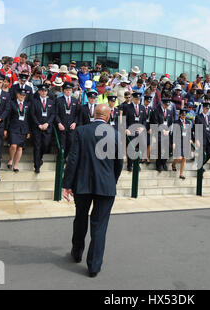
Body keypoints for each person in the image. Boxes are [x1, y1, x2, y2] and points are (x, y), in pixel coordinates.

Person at [62, 104, 123, 278]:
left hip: (83, 184)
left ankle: (77, 251)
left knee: (80, 218)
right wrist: (112, 181)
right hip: (106, 186)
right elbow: (119, 164)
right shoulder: (116, 135)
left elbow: (72, 159)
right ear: (108, 116)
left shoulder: (81, 131)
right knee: (99, 226)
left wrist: (67, 184)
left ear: (93, 114)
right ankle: (94, 266)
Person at [30, 84, 55, 174]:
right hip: (37, 128)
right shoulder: (34, 101)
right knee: (37, 146)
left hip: (47, 127)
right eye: (42, 91)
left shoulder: (51, 102)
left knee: (45, 145)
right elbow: (32, 114)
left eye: (45, 91)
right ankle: (37, 166)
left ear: (47, 92)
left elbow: (53, 114)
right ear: (39, 92)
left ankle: (39, 158)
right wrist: (38, 124)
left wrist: (47, 123)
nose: (44, 92)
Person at [4, 88, 31, 172]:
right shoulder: (12, 103)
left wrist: (29, 131)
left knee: (20, 148)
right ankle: (11, 159)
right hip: (13, 127)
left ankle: (15, 165)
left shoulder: (27, 104)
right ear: (17, 95)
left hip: (23, 128)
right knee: (13, 145)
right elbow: (8, 117)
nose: (22, 96)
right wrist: (5, 129)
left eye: (23, 95)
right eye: (20, 95)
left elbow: (29, 118)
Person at [55, 83, 79, 157]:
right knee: (62, 144)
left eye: (70, 90)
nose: (68, 91)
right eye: (67, 90)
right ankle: (61, 159)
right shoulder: (58, 100)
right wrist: (59, 123)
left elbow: (77, 114)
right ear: (63, 91)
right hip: (62, 125)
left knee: (71, 142)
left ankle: (65, 157)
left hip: (71, 126)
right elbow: (55, 113)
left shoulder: (75, 100)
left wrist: (75, 123)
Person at [125, 92, 146, 172]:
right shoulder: (127, 107)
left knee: (142, 146)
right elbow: (125, 119)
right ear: (133, 99)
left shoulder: (142, 107)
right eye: (136, 99)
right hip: (131, 130)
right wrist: (126, 129)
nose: (137, 100)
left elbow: (144, 120)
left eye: (139, 99)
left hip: (140, 131)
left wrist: (142, 128)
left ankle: (137, 163)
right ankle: (130, 165)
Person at [152, 98, 175, 172]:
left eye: (167, 105)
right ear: (162, 103)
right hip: (159, 132)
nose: (166, 106)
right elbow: (155, 122)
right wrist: (162, 130)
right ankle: (158, 164)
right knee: (159, 147)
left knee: (169, 148)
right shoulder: (156, 111)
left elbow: (171, 122)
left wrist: (168, 131)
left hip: (167, 133)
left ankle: (163, 161)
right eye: (165, 104)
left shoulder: (169, 111)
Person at [172, 108, 194, 179]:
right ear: (180, 115)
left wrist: (190, 139)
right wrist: (174, 142)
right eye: (182, 115)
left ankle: (181, 174)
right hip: (178, 141)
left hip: (186, 141)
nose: (183, 116)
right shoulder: (176, 122)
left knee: (184, 158)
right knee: (179, 157)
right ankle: (173, 164)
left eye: (184, 115)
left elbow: (189, 132)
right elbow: (174, 133)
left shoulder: (188, 122)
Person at [195, 101, 210, 171]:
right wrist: (197, 139)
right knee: (201, 154)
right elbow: (196, 129)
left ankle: (201, 164)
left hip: (209, 139)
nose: (207, 110)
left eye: (208, 109)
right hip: (201, 138)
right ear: (203, 108)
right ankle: (200, 168)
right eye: (206, 108)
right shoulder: (198, 117)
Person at [141, 94, 154, 164]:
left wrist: (151, 128)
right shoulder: (141, 107)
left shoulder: (151, 109)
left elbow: (153, 119)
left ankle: (147, 156)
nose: (148, 103)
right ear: (144, 101)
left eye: (149, 102)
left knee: (149, 142)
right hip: (142, 127)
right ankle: (143, 157)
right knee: (143, 143)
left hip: (149, 127)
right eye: (147, 101)